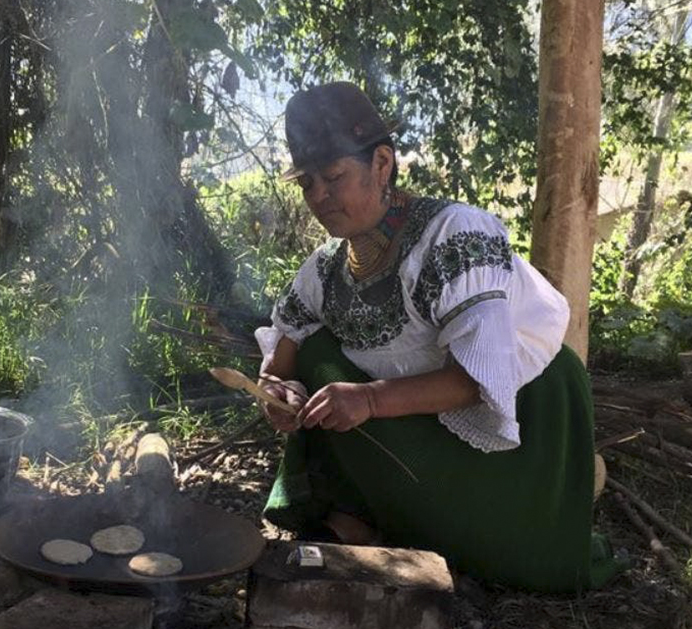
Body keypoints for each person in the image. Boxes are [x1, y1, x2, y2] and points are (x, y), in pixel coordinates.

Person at [255, 81, 623, 593]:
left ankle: (538, 499)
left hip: (519, 420)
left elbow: (479, 378)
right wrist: (275, 389)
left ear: (381, 164)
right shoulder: (323, 271)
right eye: (307, 183)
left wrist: (366, 399)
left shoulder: (455, 236)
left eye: (334, 176)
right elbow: (286, 350)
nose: (318, 195)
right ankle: (367, 513)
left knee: (512, 560)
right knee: (317, 353)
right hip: (417, 413)